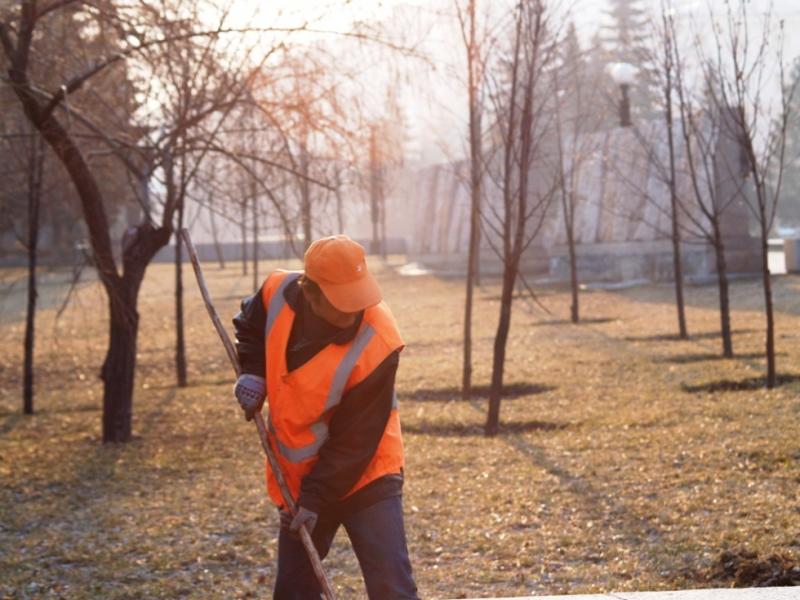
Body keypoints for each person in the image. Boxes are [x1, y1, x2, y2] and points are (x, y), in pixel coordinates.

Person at [232, 234, 419, 600]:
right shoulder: (278, 290)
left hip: (368, 475)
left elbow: (356, 439)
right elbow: (250, 324)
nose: (353, 310)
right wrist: (253, 371)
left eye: (358, 295)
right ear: (310, 292)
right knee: (293, 594)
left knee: (391, 589)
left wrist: (315, 500)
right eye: (342, 300)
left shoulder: (378, 339)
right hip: (301, 482)